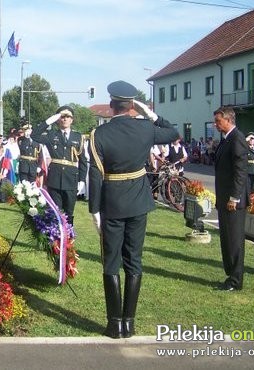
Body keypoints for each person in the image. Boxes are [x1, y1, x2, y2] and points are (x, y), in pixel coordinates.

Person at [87, 80, 179, 339]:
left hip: (113, 204)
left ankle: (114, 323)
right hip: (138, 202)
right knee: (134, 261)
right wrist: (150, 113)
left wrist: (95, 209)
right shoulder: (145, 128)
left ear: (112, 104)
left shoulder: (99, 135)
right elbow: (172, 132)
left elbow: (95, 175)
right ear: (131, 106)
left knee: (111, 263)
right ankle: (130, 322)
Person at [32, 105, 88, 226]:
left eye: (68, 116)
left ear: (72, 120)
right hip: (55, 179)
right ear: (58, 119)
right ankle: (54, 238)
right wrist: (48, 121)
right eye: (62, 117)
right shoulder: (51, 135)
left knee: (69, 212)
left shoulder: (79, 137)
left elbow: (83, 161)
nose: (65, 119)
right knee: (55, 211)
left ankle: (68, 240)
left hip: (71, 179)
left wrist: (82, 180)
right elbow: (34, 135)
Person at [213, 106, 248, 292]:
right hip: (225, 198)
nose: (216, 125)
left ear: (229, 120)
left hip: (233, 201)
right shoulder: (226, 140)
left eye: (218, 121)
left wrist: (234, 197)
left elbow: (240, 172)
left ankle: (235, 281)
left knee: (234, 241)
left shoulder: (237, 139)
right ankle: (230, 276)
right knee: (227, 239)